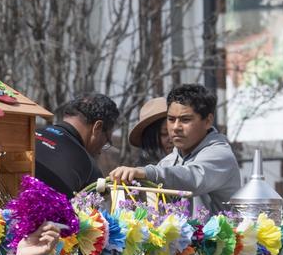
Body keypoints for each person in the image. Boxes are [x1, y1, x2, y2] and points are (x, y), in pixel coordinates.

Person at [109, 84, 242, 214]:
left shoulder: (220, 155)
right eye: (171, 119)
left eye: (185, 120)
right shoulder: (167, 162)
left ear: (208, 121)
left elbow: (192, 178)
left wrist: (146, 173)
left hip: (218, 237)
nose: (176, 127)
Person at [33, 93, 120, 197]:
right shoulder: (90, 170)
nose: (100, 152)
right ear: (97, 127)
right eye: (106, 141)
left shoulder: (27, 135)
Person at [129, 96, 174, 166]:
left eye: (176, 132)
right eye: (164, 133)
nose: (172, 139)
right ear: (150, 140)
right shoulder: (142, 173)